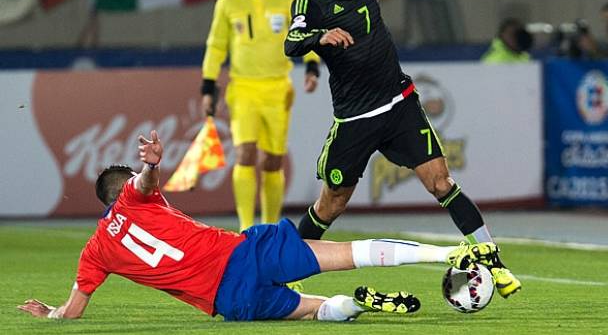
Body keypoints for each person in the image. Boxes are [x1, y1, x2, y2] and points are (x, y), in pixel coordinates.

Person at [17, 130, 497, 322]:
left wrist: (51, 314)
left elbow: (74, 311)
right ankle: (451, 254)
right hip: (243, 251)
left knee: (315, 312)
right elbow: (145, 182)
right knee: (348, 251)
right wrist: (150, 165)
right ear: (121, 193)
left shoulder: (94, 252)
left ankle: (357, 305)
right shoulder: (137, 195)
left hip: (230, 299)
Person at [284, 0, 521, 298]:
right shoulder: (308, 4)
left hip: (399, 105)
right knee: (331, 204)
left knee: (441, 181)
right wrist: (321, 37)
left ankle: (495, 265)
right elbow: (291, 43)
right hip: (355, 119)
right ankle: (286, 270)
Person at [201, 0, 321, 231]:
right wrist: (208, 86)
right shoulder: (228, 2)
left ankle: (268, 225)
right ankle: (245, 228)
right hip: (243, 88)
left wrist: (313, 66)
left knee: (273, 159)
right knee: (245, 152)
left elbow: (306, 35)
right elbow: (216, 46)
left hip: (278, 88)